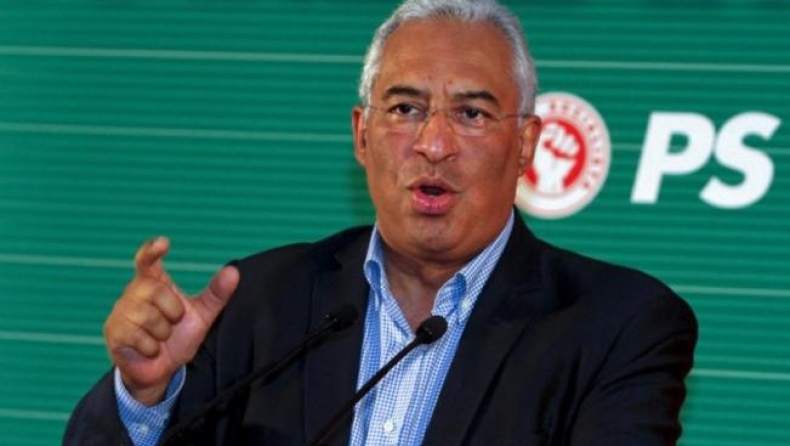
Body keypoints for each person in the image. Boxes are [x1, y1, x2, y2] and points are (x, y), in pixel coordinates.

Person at [64, 0, 697, 445]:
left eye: (472, 114)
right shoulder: (258, 303)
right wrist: (144, 397)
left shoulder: (619, 326)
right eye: (405, 109)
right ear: (362, 135)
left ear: (526, 145)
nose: (434, 144)